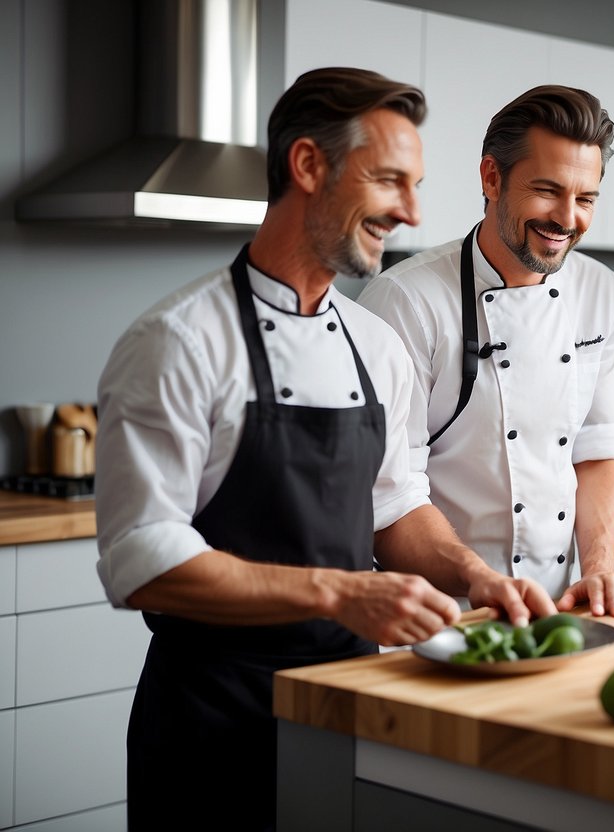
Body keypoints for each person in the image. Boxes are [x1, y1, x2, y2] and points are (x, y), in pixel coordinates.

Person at [95, 68, 556, 832]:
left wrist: (477, 577)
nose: (409, 211)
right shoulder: (178, 341)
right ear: (308, 166)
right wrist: (341, 593)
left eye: (415, 186)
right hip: (212, 719)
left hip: (347, 706)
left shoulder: (375, 345)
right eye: (388, 181)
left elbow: (394, 505)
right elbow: (142, 559)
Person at [358, 85, 614, 618]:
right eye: (547, 190)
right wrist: (481, 581)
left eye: (585, 199)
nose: (567, 218)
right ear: (492, 177)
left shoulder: (600, 290)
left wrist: (600, 566)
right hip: (443, 611)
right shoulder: (406, 302)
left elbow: (599, 451)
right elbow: (389, 499)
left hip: (561, 606)